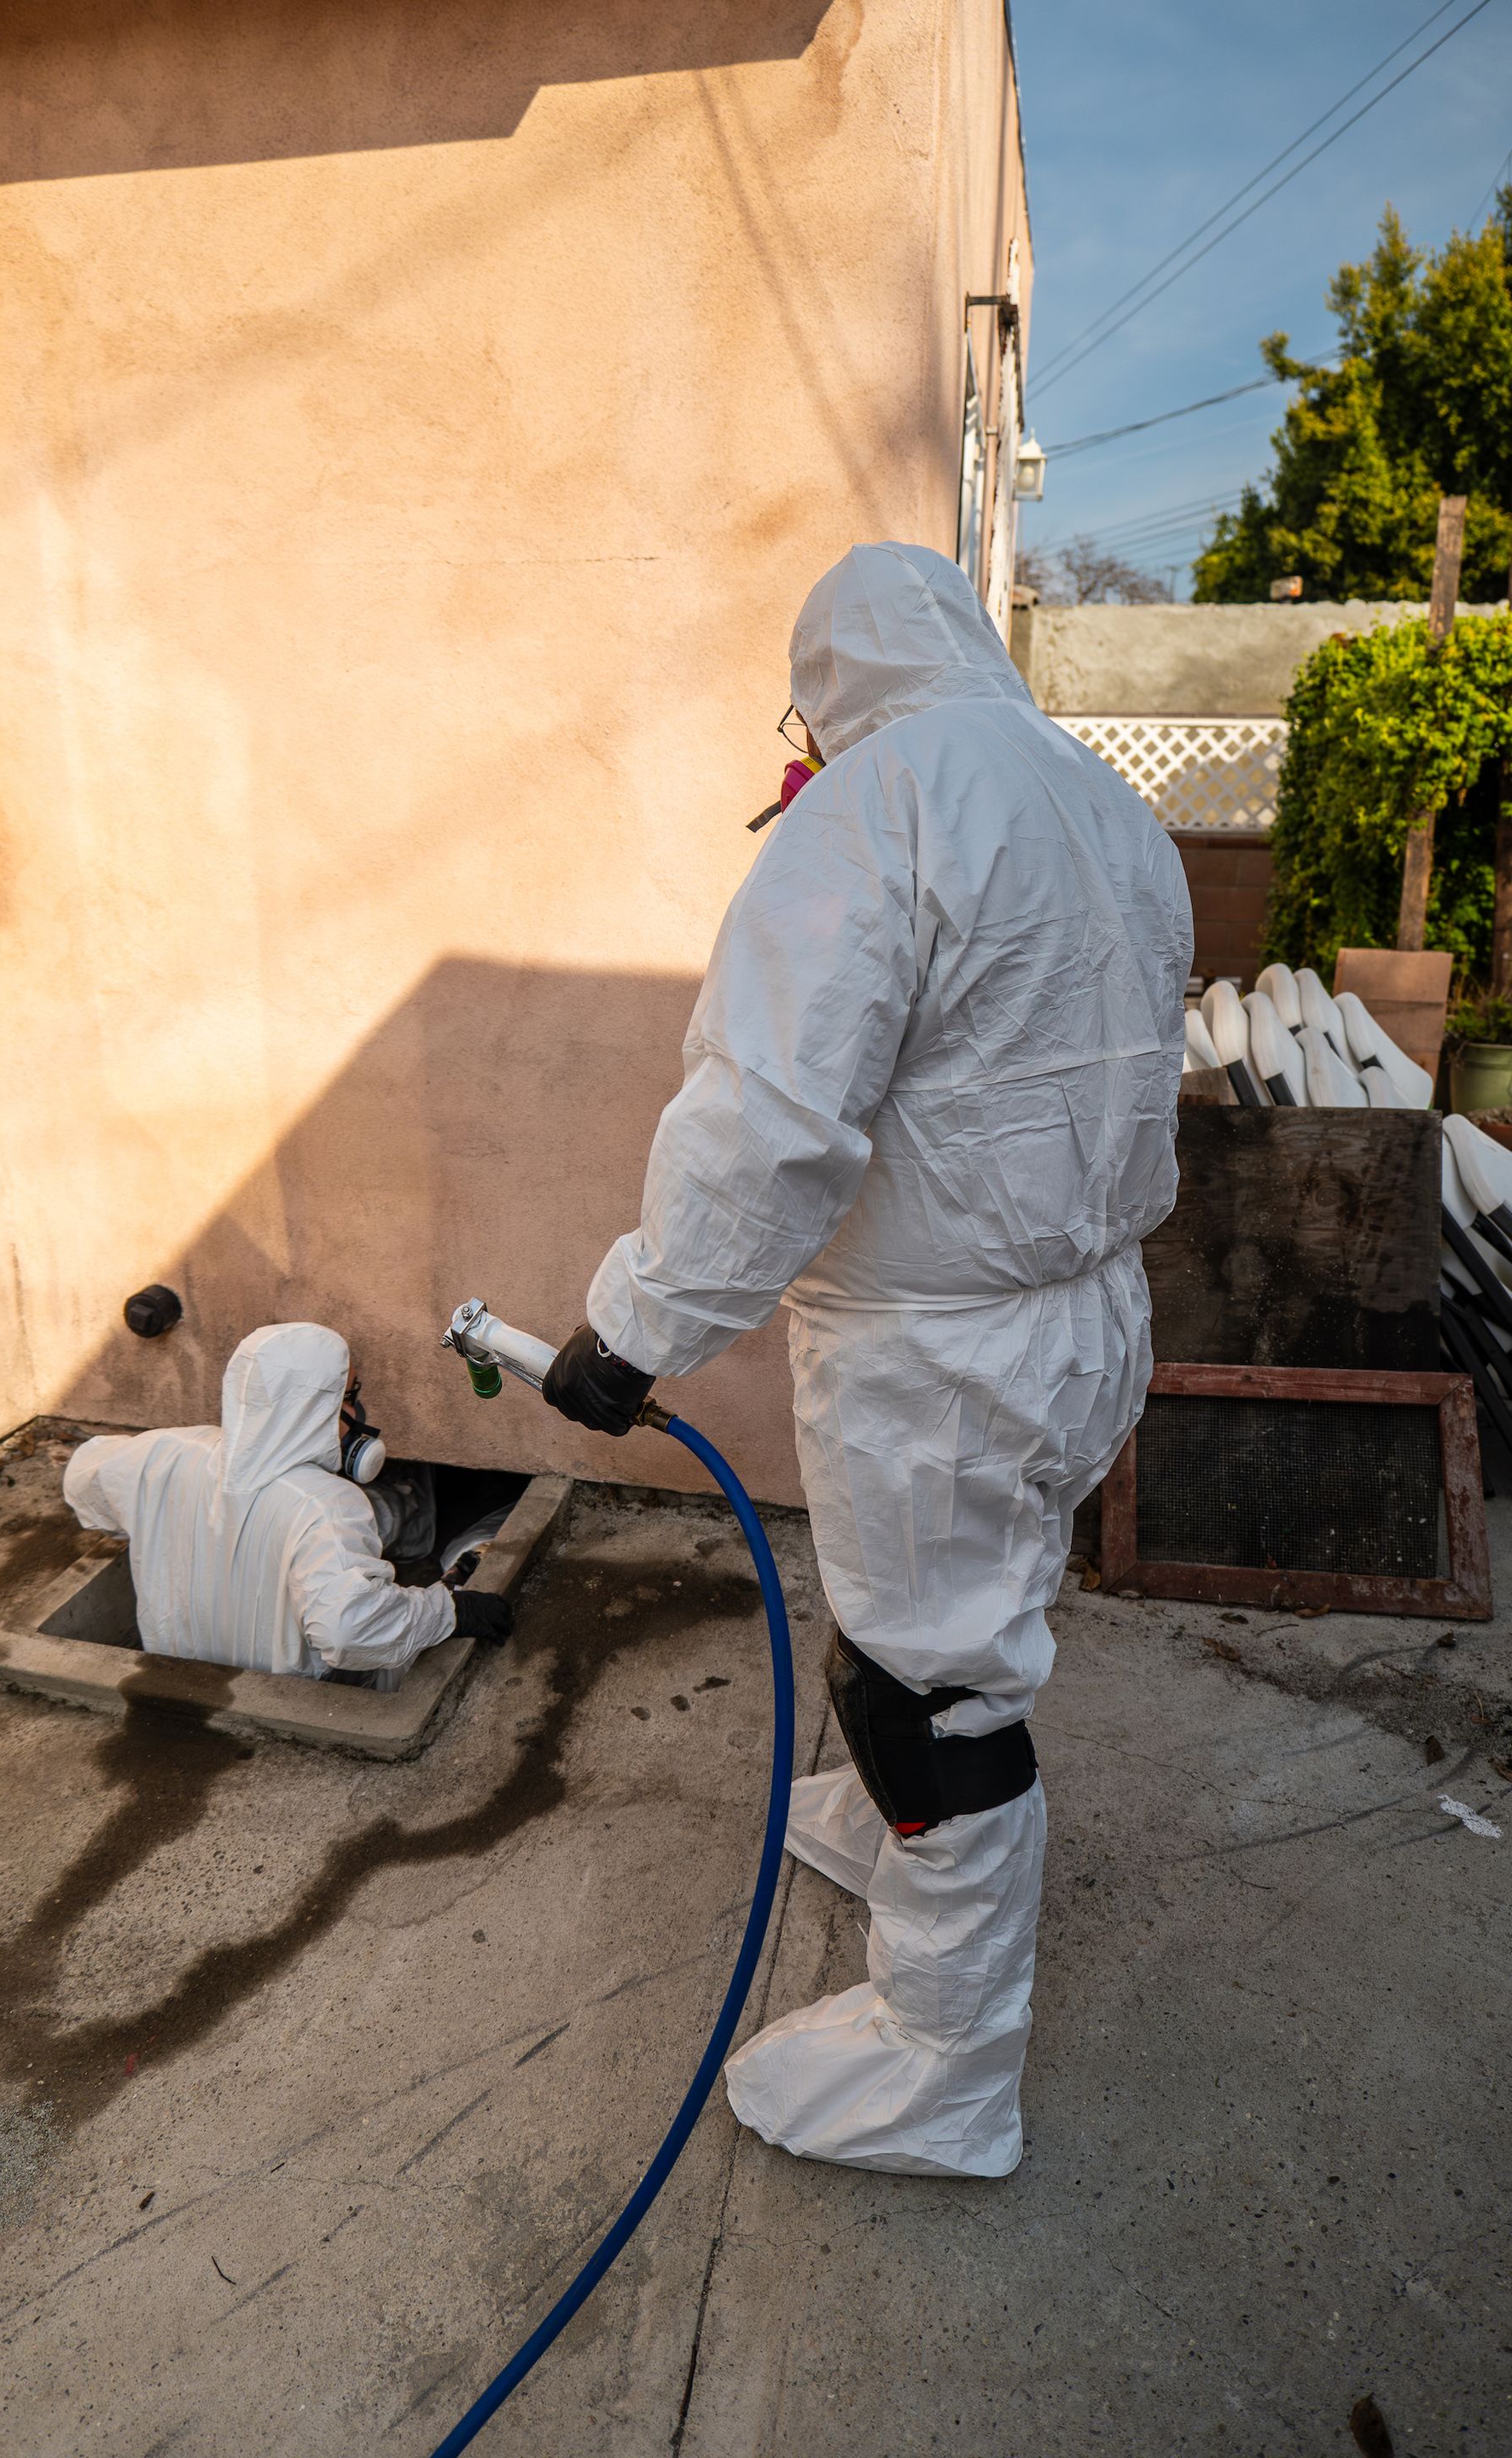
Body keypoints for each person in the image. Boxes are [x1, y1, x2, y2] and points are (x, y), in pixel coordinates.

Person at [543, 542, 1190, 2177]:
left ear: (828, 683)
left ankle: (942, 2067)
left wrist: (637, 1329)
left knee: (937, 1704)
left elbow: (770, 1117)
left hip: (943, 1356)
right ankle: (886, 1835)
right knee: (959, 1613)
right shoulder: (1106, 805)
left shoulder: (875, 810)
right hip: (1090, 1317)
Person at [64, 1322, 513, 1683]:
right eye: (349, 1397)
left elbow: (82, 1481)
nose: (357, 1415)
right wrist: (447, 1612)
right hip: (292, 1697)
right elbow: (348, 1631)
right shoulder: (327, 1507)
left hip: (175, 1676)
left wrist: (164, 1515)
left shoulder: (165, 1453)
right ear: (312, 1408)